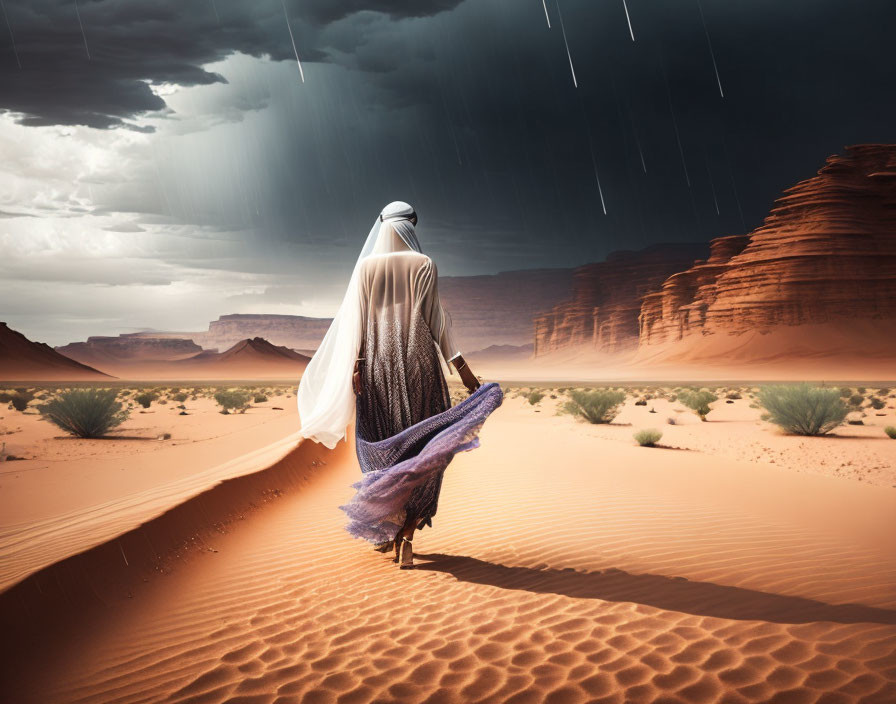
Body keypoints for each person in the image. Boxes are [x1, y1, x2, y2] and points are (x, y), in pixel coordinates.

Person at [297, 201, 503, 569]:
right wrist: (465, 372)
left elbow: (356, 323)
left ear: (382, 227)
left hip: (376, 368)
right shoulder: (424, 264)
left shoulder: (365, 268)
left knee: (385, 449)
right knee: (426, 451)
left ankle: (389, 526)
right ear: (410, 226)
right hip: (420, 366)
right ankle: (406, 533)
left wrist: (357, 366)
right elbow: (437, 322)